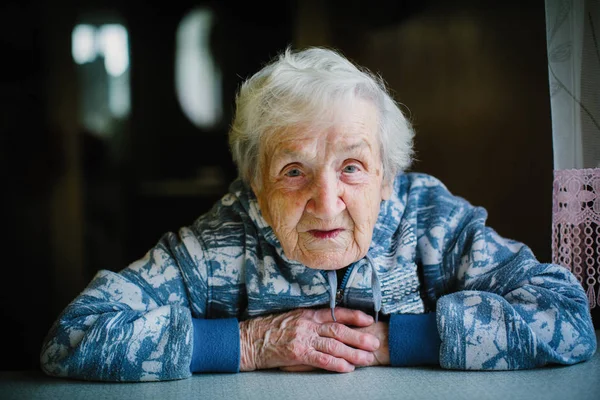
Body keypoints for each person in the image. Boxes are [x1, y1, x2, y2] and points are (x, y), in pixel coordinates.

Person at [40, 46, 596, 381]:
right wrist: (252, 344)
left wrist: (391, 341)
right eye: (293, 171)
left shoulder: (432, 220)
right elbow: (74, 338)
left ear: (386, 177)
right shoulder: (218, 241)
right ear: (255, 183)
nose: (327, 202)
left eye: (352, 166)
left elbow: (568, 318)